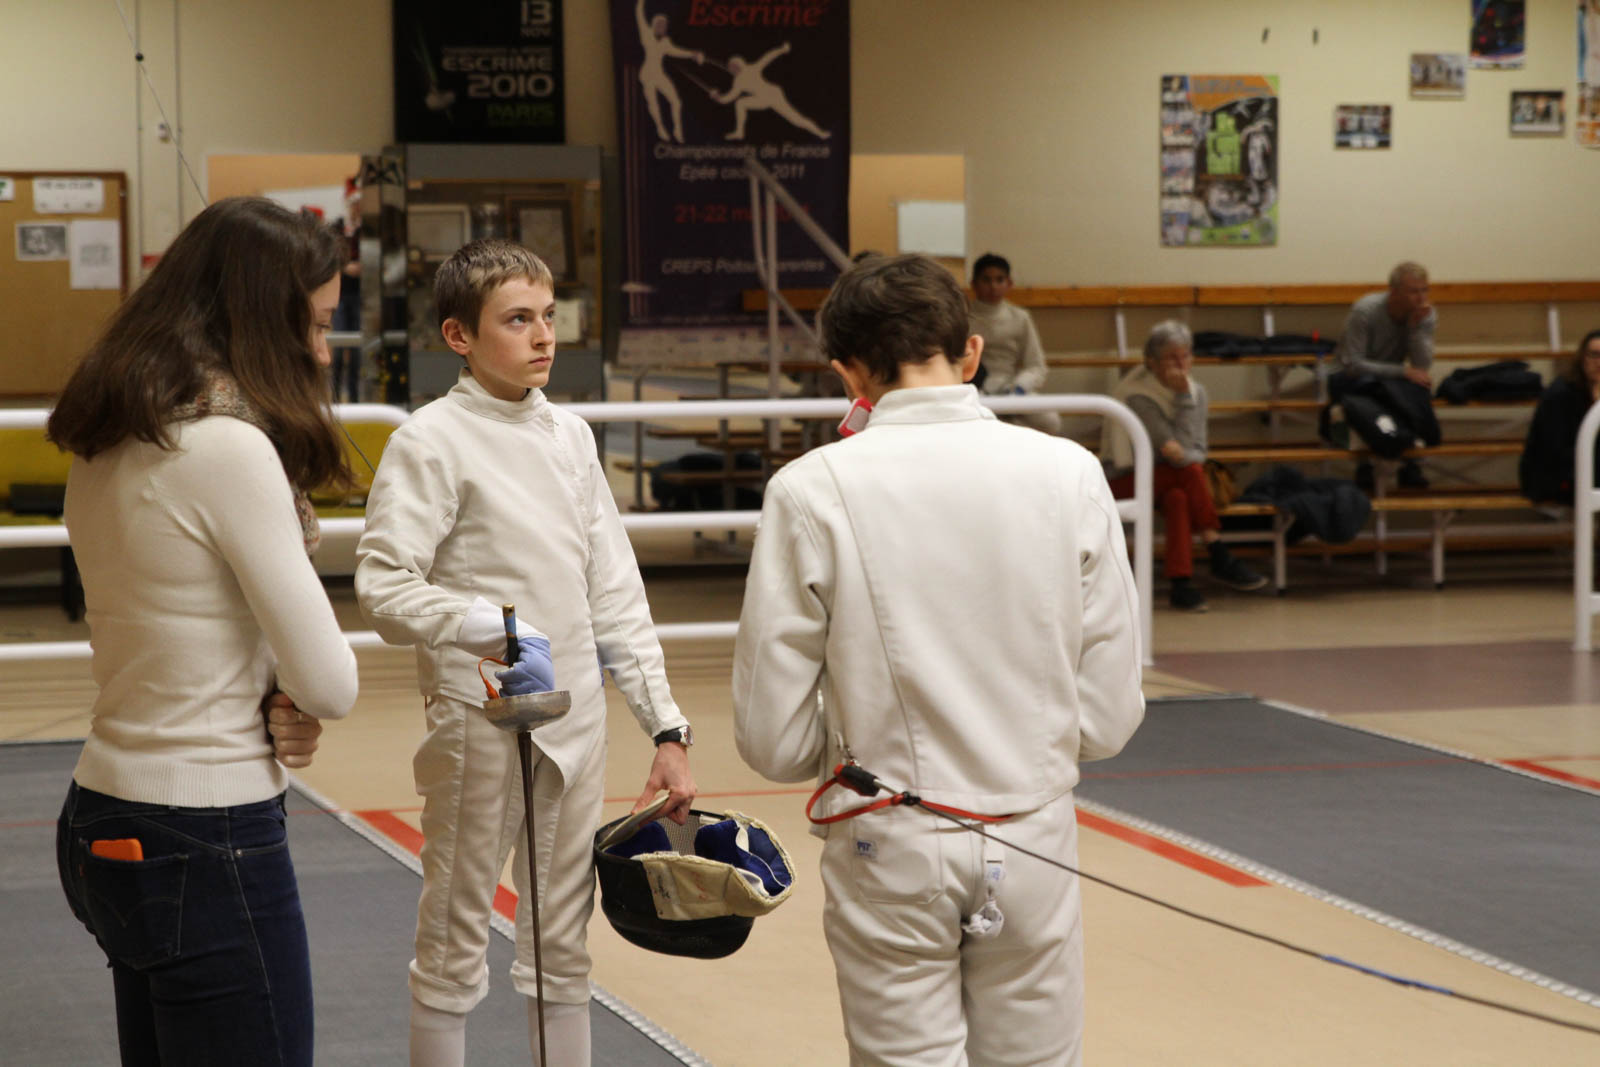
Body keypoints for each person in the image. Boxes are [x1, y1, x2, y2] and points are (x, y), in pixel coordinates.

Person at [732, 253, 1144, 1066]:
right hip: (1034, 834)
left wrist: (853, 749)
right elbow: (1108, 715)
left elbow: (771, 737)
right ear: (972, 352)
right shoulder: (1070, 470)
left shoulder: (811, 487)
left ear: (849, 373)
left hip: (890, 840)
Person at [354, 238, 696, 1067]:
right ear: (459, 335)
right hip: (479, 721)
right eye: (517, 319)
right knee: (453, 940)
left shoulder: (570, 436)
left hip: (576, 720)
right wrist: (490, 626)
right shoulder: (431, 440)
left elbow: (615, 590)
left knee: (563, 945)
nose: (543, 335)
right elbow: (382, 585)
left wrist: (666, 727)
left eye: (548, 315)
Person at [48, 196, 359, 1066]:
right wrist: (296, 692)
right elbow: (332, 681)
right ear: (261, 320)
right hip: (204, 828)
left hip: (105, 808)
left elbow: (182, 619)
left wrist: (273, 690)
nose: (324, 351)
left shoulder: (110, 434)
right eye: (316, 324)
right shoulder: (228, 448)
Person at [1103, 320, 1268, 612]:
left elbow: (1196, 450)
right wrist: (1182, 400)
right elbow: (1172, 452)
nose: (1182, 364)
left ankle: (1181, 585)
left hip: (1171, 477)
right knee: (1188, 473)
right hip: (1126, 477)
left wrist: (1184, 401)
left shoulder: (1196, 393)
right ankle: (1217, 549)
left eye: (1186, 355)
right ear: (1152, 363)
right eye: (1172, 357)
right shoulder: (1137, 395)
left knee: (1179, 496)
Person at [1333, 261, 1437, 490]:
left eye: (1424, 290)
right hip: (1349, 376)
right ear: (1394, 291)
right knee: (1375, 393)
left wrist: (1415, 329)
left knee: (1417, 387)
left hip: (1388, 377)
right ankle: (1365, 464)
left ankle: (1410, 461)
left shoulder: (1424, 314)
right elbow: (1353, 364)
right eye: (1413, 291)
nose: (1420, 298)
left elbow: (1422, 364)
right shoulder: (1365, 310)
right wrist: (1402, 371)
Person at [966, 252, 1061, 434]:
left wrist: (1018, 388)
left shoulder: (1020, 317)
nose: (993, 286)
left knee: (1050, 420)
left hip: (1010, 388)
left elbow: (1036, 365)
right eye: (986, 280)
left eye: (999, 280)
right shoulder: (963, 317)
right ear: (974, 284)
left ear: (1009, 283)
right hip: (974, 390)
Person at [1520, 329, 1600, 504]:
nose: (1599, 363)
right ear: (1583, 359)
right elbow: (1555, 451)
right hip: (1556, 475)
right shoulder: (1561, 394)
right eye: (1594, 355)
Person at [711, 41, 831, 140]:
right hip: (762, 99)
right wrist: (718, 97)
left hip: (773, 95)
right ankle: (739, 132)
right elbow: (728, 98)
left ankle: (820, 133)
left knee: (796, 120)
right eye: (730, 67)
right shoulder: (738, 82)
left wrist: (782, 49)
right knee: (740, 103)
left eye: (732, 66)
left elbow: (768, 57)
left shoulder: (750, 70)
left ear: (739, 65)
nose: (731, 69)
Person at [635, 0, 704, 143]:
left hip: (659, 74)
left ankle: (678, 130)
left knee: (676, 102)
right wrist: (640, 2)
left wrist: (692, 54)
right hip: (647, 75)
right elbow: (639, 16)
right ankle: (660, 128)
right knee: (653, 103)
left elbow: (676, 51)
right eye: (660, 24)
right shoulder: (646, 34)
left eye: (665, 25)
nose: (663, 27)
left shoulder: (665, 42)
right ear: (654, 25)